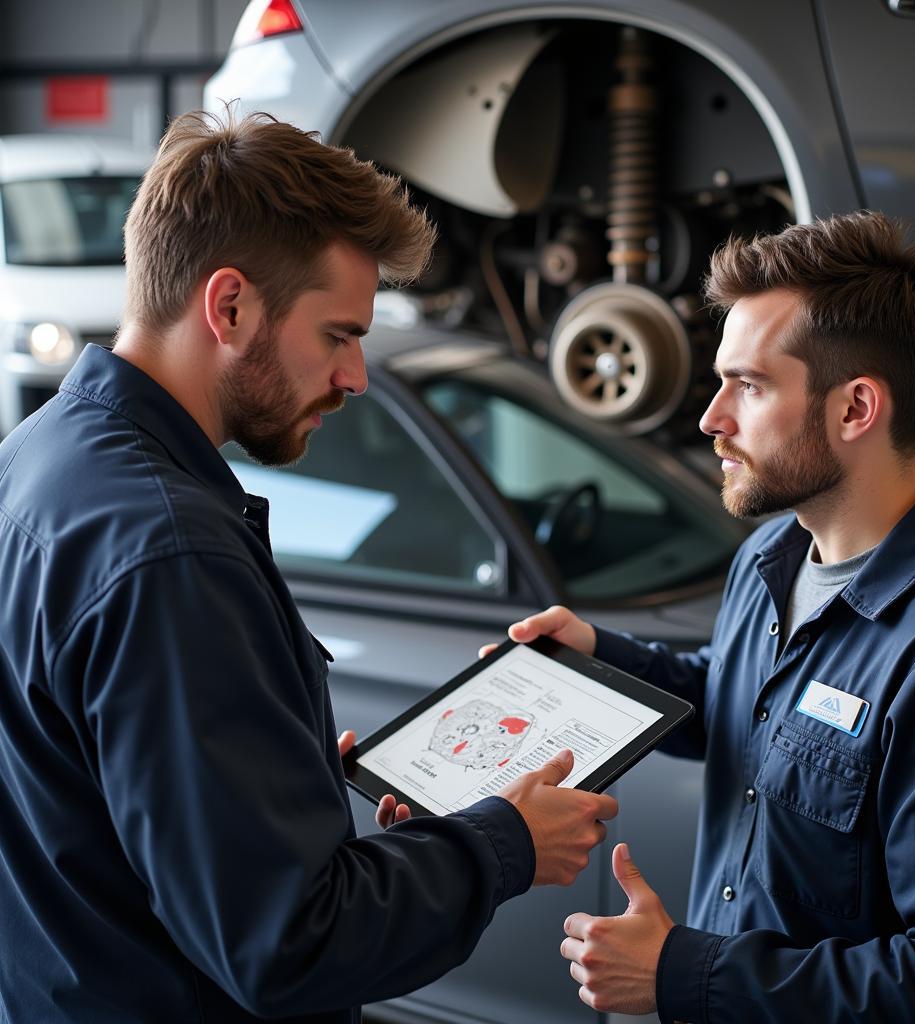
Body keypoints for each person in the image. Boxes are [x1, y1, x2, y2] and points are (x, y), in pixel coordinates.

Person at [0, 109, 617, 1024]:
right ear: (231, 306)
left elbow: (87, 793)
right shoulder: (172, 551)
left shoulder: (37, 457)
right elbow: (288, 943)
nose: (357, 374)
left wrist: (274, 775)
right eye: (338, 334)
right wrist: (505, 843)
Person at [489, 212, 915, 1021]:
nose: (711, 419)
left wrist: (683, 971)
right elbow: (742, 708)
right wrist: (599, 657)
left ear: (855, 410)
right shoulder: (773, 556)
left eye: (750, 384)